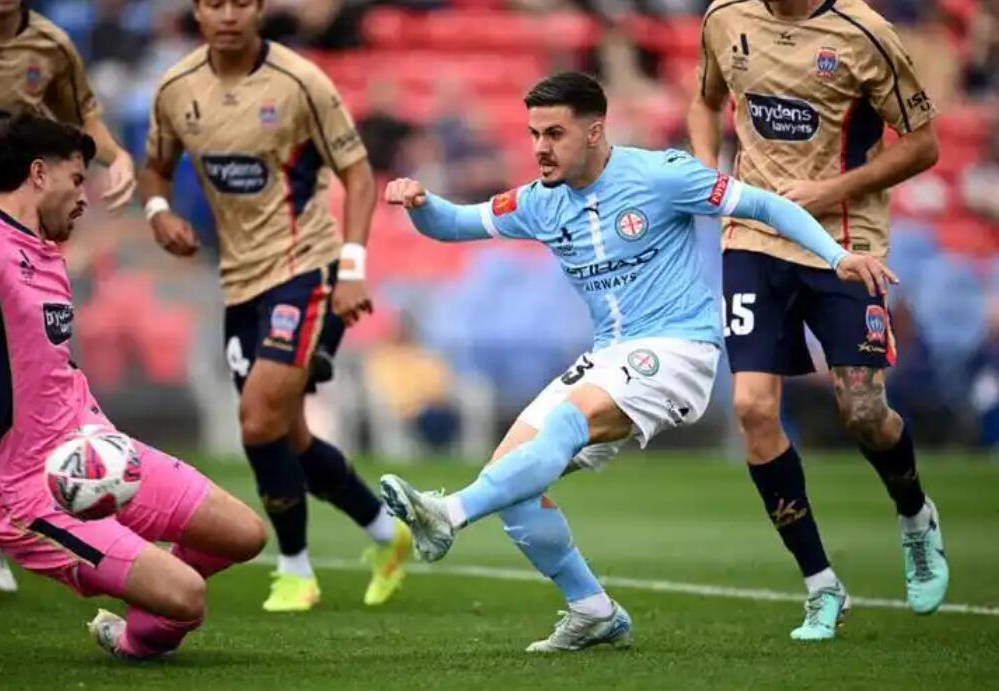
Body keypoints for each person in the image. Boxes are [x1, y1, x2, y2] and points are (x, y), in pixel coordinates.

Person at [379, 71, 896, 653]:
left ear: (594, 131)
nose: (540, 148)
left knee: (563, 426)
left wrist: (836, 256)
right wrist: (420, 204)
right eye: (534, 134)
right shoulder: (539, 202)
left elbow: (763, 205)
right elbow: (453, 224)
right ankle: (592, 610)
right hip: (607, 356)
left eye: (554, 133)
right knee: (510, 478)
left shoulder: (660, 176)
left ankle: (447, 513)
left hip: (678, 348)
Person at [0, 113, 267, 660]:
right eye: (78, 180)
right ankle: (133, 636)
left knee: (245, 534)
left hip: (98, 451)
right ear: (38, 174)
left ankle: (151, 588)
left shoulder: (47, 251)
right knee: (187, 598)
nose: (86, 197)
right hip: (29, 491)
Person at [138, 0, 410, 613]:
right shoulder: (178, 88)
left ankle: (295, 571)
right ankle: (384, 532)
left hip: (305, 269)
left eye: (241, 2)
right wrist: (158, 213)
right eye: (215, 3)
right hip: (239, 283)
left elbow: (358, 175)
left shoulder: (300, 82)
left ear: (259, 9)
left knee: (259, 422)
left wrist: (352, 270)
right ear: (198, 12)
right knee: (289, 434)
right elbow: (155, 168)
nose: (228, 14)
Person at [688, 0, 948, 640]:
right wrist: (706, 176)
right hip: (754, 238)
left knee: (862, 410)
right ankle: (821, 585)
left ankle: (915, 513)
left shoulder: (865, 34)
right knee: (752, 409)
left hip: (844, 240)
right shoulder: (725, 16)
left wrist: (827, 192)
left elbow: (924, 145)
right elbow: (704, 101)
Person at [0, 0, 137, 596]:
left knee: (2, 397)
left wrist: (117, 156)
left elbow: (83, 116)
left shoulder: (51, 46)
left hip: (7, 242)